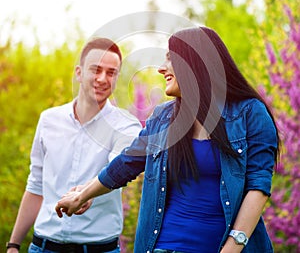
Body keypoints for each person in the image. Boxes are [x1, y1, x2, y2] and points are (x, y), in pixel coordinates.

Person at [55, 27, 280, 253]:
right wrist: (82, 195)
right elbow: (127, 163)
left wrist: (232, 247)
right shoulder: (163, 118)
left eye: (171, 59)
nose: (162, 69)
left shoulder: (250, 113)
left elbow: (258, 187)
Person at [6, 37, 142, 253]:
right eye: (95, 69)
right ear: (79, 73)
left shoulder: (126, 127)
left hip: (99, 249)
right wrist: (14, 244)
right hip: (43, 247)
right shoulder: (49, 120)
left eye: (111, 72)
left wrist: (84, 195)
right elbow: (36, 185)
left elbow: (117, 171)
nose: (102, 78)